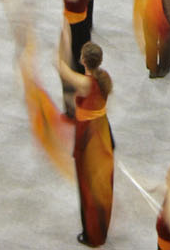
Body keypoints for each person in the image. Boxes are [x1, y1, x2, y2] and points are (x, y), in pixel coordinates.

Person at [57, 37, 116, 246]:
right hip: (102, 131)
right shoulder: (103, 77)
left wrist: (64, 39)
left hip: (88, 137)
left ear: (83, 60)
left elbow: (63, 70)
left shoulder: (85, 83)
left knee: (87, 185)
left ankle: (92, 234)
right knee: (100, 183)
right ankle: (100, 227)